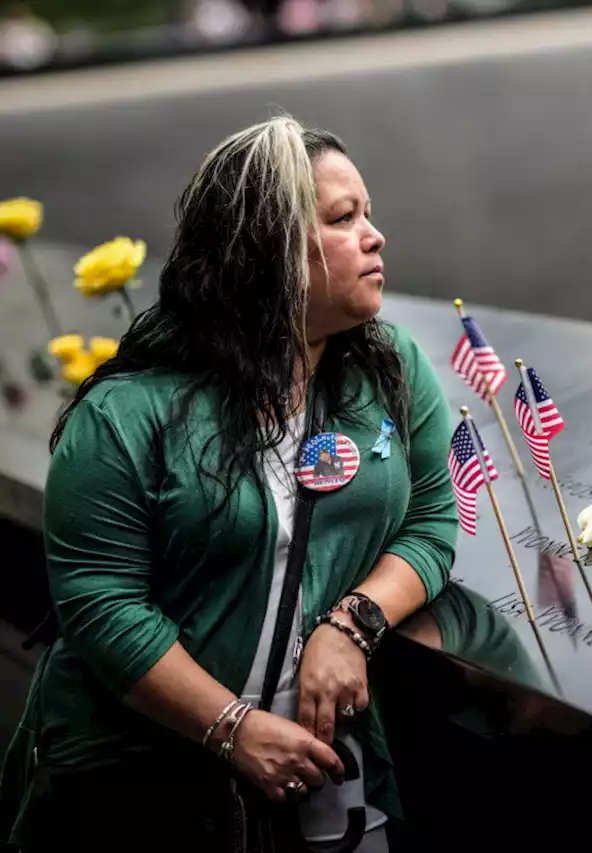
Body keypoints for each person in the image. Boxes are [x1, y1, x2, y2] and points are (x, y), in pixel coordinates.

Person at [0, 114, 459, 852]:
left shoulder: (391, 370)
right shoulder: (127, 410)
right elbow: (99, 601)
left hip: (325, 782)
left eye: (366, 214)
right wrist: (231, 728)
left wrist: (354, 623)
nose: (375, 236)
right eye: (344, 219)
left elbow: (434, 520)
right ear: (269, 249)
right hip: (140, 783)